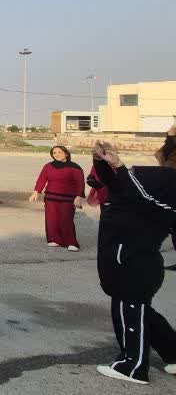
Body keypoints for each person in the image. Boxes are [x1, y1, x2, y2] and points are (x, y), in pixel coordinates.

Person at [90, 135, 176, 385]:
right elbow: (120, 186)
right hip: (128, 257)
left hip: (135, 260)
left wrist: (119, 166)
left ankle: (133, 366)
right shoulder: (155, 183)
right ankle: (173, 353)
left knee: (129, 310)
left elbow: (143, 198)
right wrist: (102, 162)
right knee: (139, 310)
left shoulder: (165, 193)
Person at [29, 145, 86, 252]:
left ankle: (71, 242)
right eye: (54, 153)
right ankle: (54, 239)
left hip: (67, 199)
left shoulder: (75, 167)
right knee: (51, 219)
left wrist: (78, 197)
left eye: (59, 152)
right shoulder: (48, 166)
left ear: (66, 154)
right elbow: (42, 179)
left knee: (66, 220)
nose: (57, 154)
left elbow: (80, 184)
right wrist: (36, 191)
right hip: (50, 198)